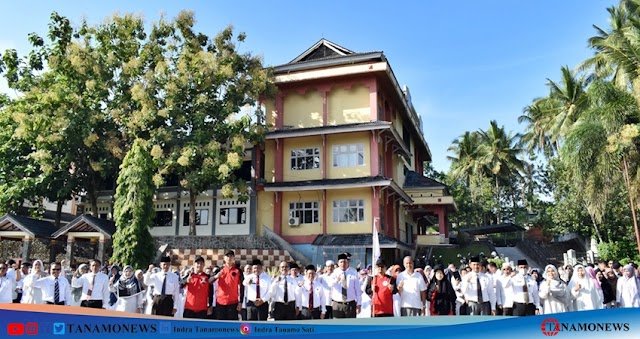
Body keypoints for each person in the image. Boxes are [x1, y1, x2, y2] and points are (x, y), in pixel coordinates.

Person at [327, 253, 362, 318]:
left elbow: (358, 290)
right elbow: (329, 285)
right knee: (338, 326)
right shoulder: (334, 273)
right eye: (341, 262)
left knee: (350, 326)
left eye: (345, 262)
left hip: (350, 304)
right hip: (338, 304)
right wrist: (336, 280)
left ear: (347, 262)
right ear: (338, 263)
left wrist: (359, 304)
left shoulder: (353, 273)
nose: (343, 264)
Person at [211, 250, 243, 320]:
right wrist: (216, 277)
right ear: (224, 258)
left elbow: (242, 287)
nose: (229, 258)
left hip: (233, 303)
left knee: (232, 326)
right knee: (220, 326)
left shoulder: (238, 271)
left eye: (231, 256)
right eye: (227, 256)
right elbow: (209, 281)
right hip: (220, 302)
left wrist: (241, 302)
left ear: (234, 258)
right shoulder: (219, 269)